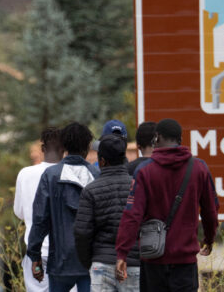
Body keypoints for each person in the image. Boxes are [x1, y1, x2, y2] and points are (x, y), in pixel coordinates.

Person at [115, 119, 219, 292]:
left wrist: (122, 253)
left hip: (153, 260)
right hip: (185, 261)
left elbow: (132, 214)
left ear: (157, 137)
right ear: (180, 139)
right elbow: (210, 210)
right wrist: (209, 237)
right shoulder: (199, 168)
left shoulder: (145, 171)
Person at [28, 122, 100, 292]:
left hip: (59, 260)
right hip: (89, 261)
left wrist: (35, 255)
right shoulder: (96, 175)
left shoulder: (51, 175)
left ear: (64, 146)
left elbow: (40, 219)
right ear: (88, 146)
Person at [74, 134, 141, 292]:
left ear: (102, 161)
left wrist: (89, 261)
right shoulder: (138, 187)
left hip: (101, 263)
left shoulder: (90, 190)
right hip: (132, 263)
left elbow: (82, 232)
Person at [14, 127, 64, 292]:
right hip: (64, 253)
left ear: (42, 149)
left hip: (35, 251)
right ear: (63, 149)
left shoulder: (25, 174)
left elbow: (19, 212)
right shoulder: (68, 173)